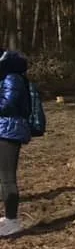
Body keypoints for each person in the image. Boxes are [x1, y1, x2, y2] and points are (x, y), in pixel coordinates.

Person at [0, 50, 32, 237]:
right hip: (3, 129)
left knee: (7, 176)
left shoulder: (13, 78)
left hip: (9, 132)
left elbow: (8, 105)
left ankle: (13, 220)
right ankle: (7, 218)